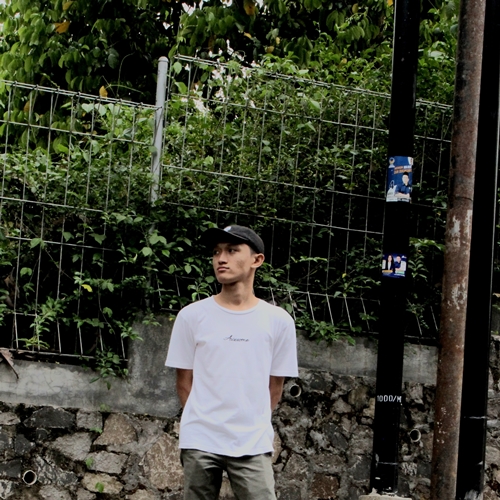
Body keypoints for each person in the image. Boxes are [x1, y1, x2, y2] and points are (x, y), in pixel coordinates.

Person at [165, 224, 298, 500]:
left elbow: (275, 387)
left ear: (256, 260)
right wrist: (202, 421)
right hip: (200, 439)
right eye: (216, 252)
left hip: (252, 441)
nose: (221, 259)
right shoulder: (191, 316)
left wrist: (251, 420)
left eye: (232, 250)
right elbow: (184, 383)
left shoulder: (279, 321)